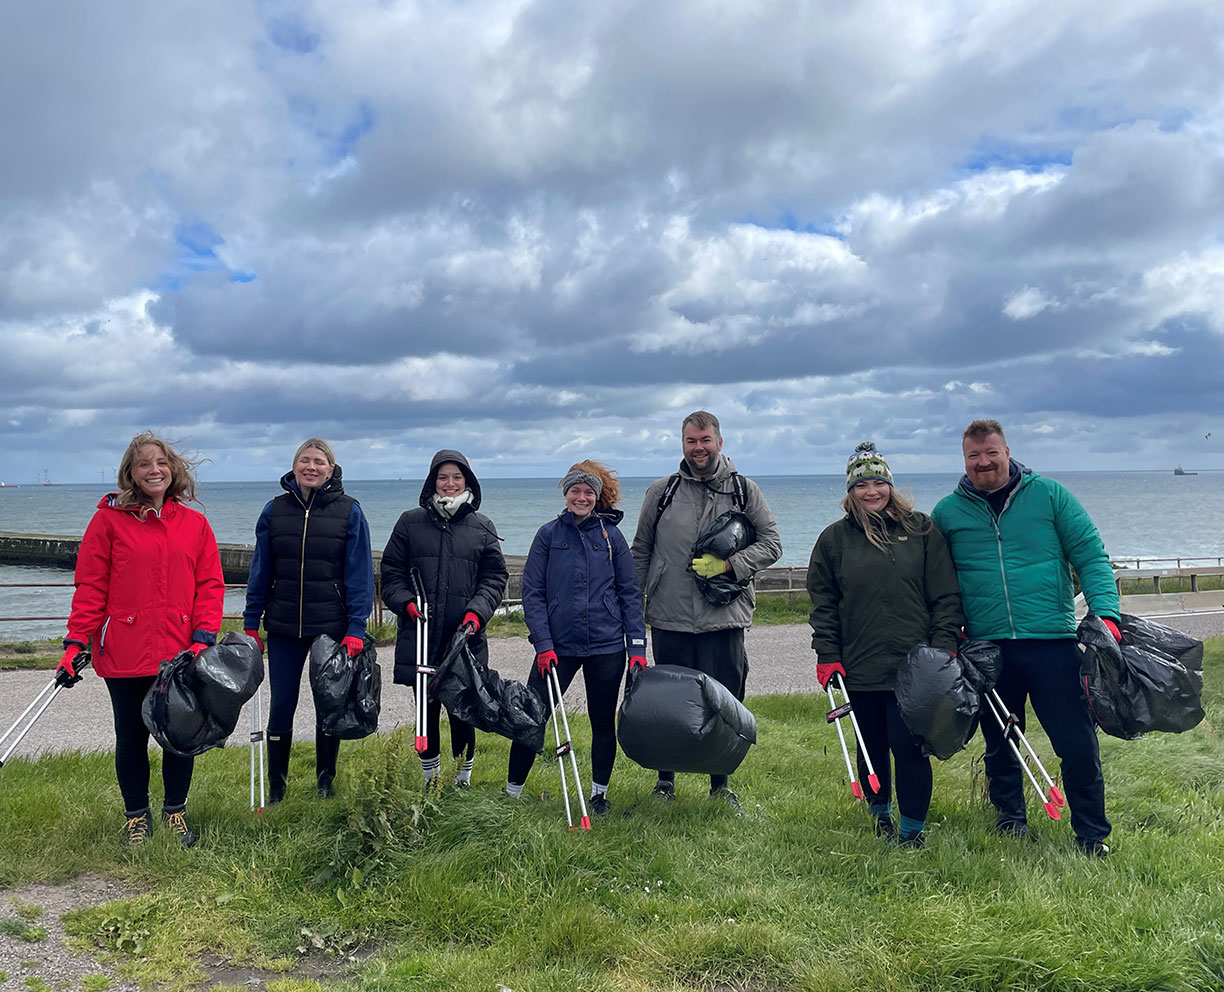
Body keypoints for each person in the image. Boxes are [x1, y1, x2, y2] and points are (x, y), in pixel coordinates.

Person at [931, 419, 1122, 856]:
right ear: (964, 459)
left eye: (991, 453)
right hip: (986, 646)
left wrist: (1105, 614)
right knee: (1000, 742)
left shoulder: (1050, 496)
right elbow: (936, 580)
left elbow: (1091, 556)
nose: (984, 463)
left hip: (1052, 640)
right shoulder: (948, 513)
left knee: (1076, 743)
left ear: (1007, 451)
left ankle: (1092, 835)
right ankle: (1010, 821)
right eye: (974, 456)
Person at [56, 432, 224, 847]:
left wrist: (204, 637)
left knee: (179, 737)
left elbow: (210, 584)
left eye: (161, 463)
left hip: (181, 651)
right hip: (124, 650)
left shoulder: (194, 523)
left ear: (173, 470)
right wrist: (76, 643)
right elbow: (91, 587)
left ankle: (175, 812)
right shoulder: (107, 522)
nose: (154, 470)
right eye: (145, 464)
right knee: (131, 736)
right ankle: (136, 816)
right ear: (130, 473)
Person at [806, 442, 963, 848]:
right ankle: (881, 818)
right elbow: (824, 604)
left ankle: (912, 831)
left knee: (908, 747)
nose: (871, 491)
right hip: (860, 663)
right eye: (862, 485)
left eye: (879, 482)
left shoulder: (922, 530)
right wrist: (828, 655)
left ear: (890, 486)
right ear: (850, 491)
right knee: (871, 745)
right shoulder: (833, 541)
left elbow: (945, 595)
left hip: (917, 666)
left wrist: (944, 648)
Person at [630, 411, 782, 807]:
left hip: (723, 618)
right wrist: (633, 604)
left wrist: (730, 565)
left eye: (705, 440)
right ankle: (666, 781)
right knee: (666, 706)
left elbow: (771, 543)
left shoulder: (745, 491)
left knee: (725, 702)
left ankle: (720, 784)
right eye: (691, 441)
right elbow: (641, 550)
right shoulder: (661, 492)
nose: (698, 448)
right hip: (669, 615)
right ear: (682, 444)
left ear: (719, 441)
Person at [506, 461, 647, 817]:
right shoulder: (548, 536)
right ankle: (512, 794)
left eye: (588, 492)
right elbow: (533, 592)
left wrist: (637, 647)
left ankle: (599, 795)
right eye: (575, 491)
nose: (581, 497)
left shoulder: (611, 537)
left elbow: (629, 592)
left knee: (603, 721)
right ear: (566, 494)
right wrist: (543, 644)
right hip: (557, 647)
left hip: (607, 645)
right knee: (531, 717)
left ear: (597, 497)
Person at [242, 438, 374, 802]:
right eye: (304, 460)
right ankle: (277, 788)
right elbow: (260, 569)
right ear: (294, 466)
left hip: (330, 627)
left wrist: (356, 628)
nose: (311, 467)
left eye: (319, 462)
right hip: (283, 625)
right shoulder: (274, 510)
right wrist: (252, 622)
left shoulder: (350, 512)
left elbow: (359, 575)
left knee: (327, 705)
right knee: (282, 703)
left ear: (331, 469)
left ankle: (325, 783)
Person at [380, 450, 508, 788]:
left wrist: (476, 613)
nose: (449, 484)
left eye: (456, 477)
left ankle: (462, 777)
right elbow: (391, 573)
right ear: (432, 481)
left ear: (467, 481)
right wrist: (405, 603)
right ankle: (431, 779)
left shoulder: (482, 527)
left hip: (464, 638)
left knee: (462, 711)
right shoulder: (410, 522)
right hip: (420, 636)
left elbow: (494, 578)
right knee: (426, 712)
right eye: (443, 477)